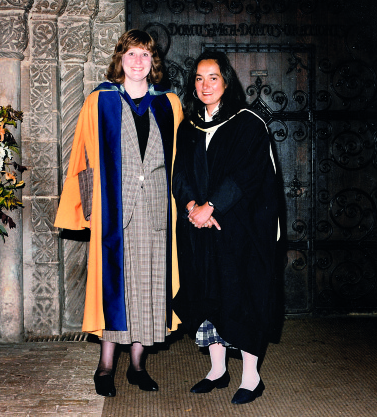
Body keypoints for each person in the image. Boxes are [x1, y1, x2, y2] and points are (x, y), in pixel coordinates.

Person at [54, 30, 183, 398]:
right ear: (120, 60)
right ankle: (105, 366)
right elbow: (84, 158)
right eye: (131, 55)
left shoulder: (169, 105)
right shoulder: (100, 102)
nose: (138, 62)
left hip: (157, 209)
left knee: (149, 286)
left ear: (153, 61)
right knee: (114, 288)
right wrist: (91, 210)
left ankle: (138, 366)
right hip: (114, 208)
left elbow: (179, 163)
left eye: (145, 55)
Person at [171, 51, 279, 405]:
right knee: (205, 292)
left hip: (238, 230)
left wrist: (211, 206)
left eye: (213, 78)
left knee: (242, 295)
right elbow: (180, 175)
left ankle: (252, 376)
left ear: (226, 81)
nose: (205, 85)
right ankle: (217, 370)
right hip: (198, 228)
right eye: (199, 79)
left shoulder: (248, 123)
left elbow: (247, 175)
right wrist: (191, 207)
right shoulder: (188, 127)